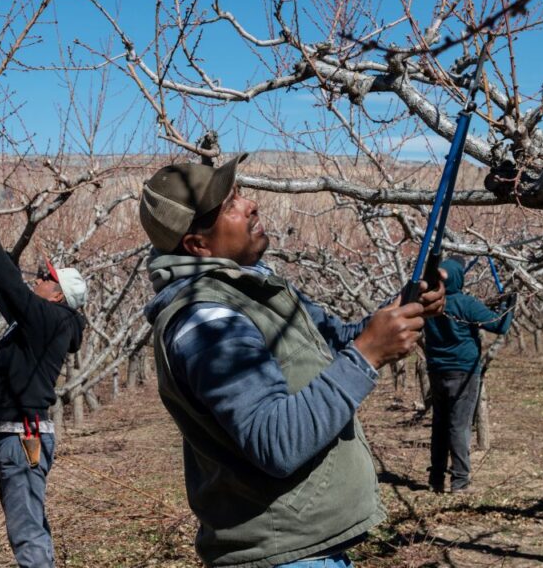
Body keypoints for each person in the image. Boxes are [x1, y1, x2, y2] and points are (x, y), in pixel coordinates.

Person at [139, 155, 446, 568]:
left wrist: (401, 313)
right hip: (282, 553)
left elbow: (336, 342)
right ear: (197, 245)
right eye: (229, 205)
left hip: (306, 546)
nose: (249, 205)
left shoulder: (252, 291)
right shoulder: (207, 321)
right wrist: (369, 353)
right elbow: (275, 442)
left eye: (240, 194)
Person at [0, 197, 87, 568]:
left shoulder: (51, 320)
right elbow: (0, 287)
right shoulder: (39, 321)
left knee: (26, 530)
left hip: (21, 437)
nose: (40, 278)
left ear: (59, 295)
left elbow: (11, 285)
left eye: (47, 278)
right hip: (14, 436)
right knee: (29, 523)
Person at [423, 256, 514, 494]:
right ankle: (460, 481)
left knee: (440, 425)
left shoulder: (429, 303)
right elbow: (499, 326)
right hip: (464, 372)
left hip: (436, 371)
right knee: (459, 426)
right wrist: (509, 304)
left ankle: (435, 479)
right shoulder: (466, 304)